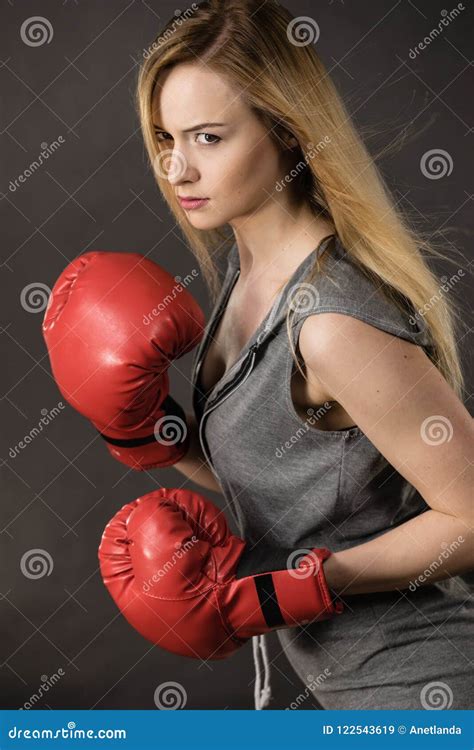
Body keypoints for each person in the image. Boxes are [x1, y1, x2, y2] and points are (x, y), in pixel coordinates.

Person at [45, 0, 474, 710]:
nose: (176, 166)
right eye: (164, 136)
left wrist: (302, 585)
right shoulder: (250, 281)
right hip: (345, 692)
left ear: (285, 131)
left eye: (208, 137)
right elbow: (284, 480)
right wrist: (146, 432)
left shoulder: (331, 323)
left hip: (424, 690)